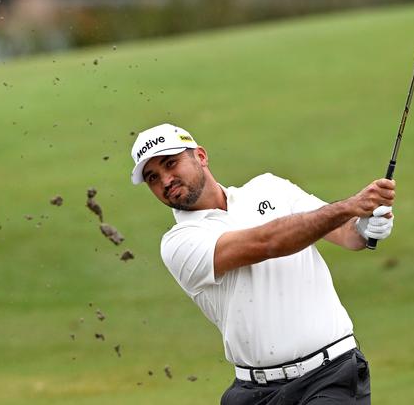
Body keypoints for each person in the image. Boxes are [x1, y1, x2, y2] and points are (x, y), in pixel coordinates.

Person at [130, 123, 395, 404]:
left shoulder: (270, 187)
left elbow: (345, 233)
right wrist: (349, 206)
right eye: (153, 178)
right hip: (253, 393)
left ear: (201, 156)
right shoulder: (179, 243)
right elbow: (267, 243)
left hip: (331, 377)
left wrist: (365, 226)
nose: (166, 180)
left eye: (171, 164)